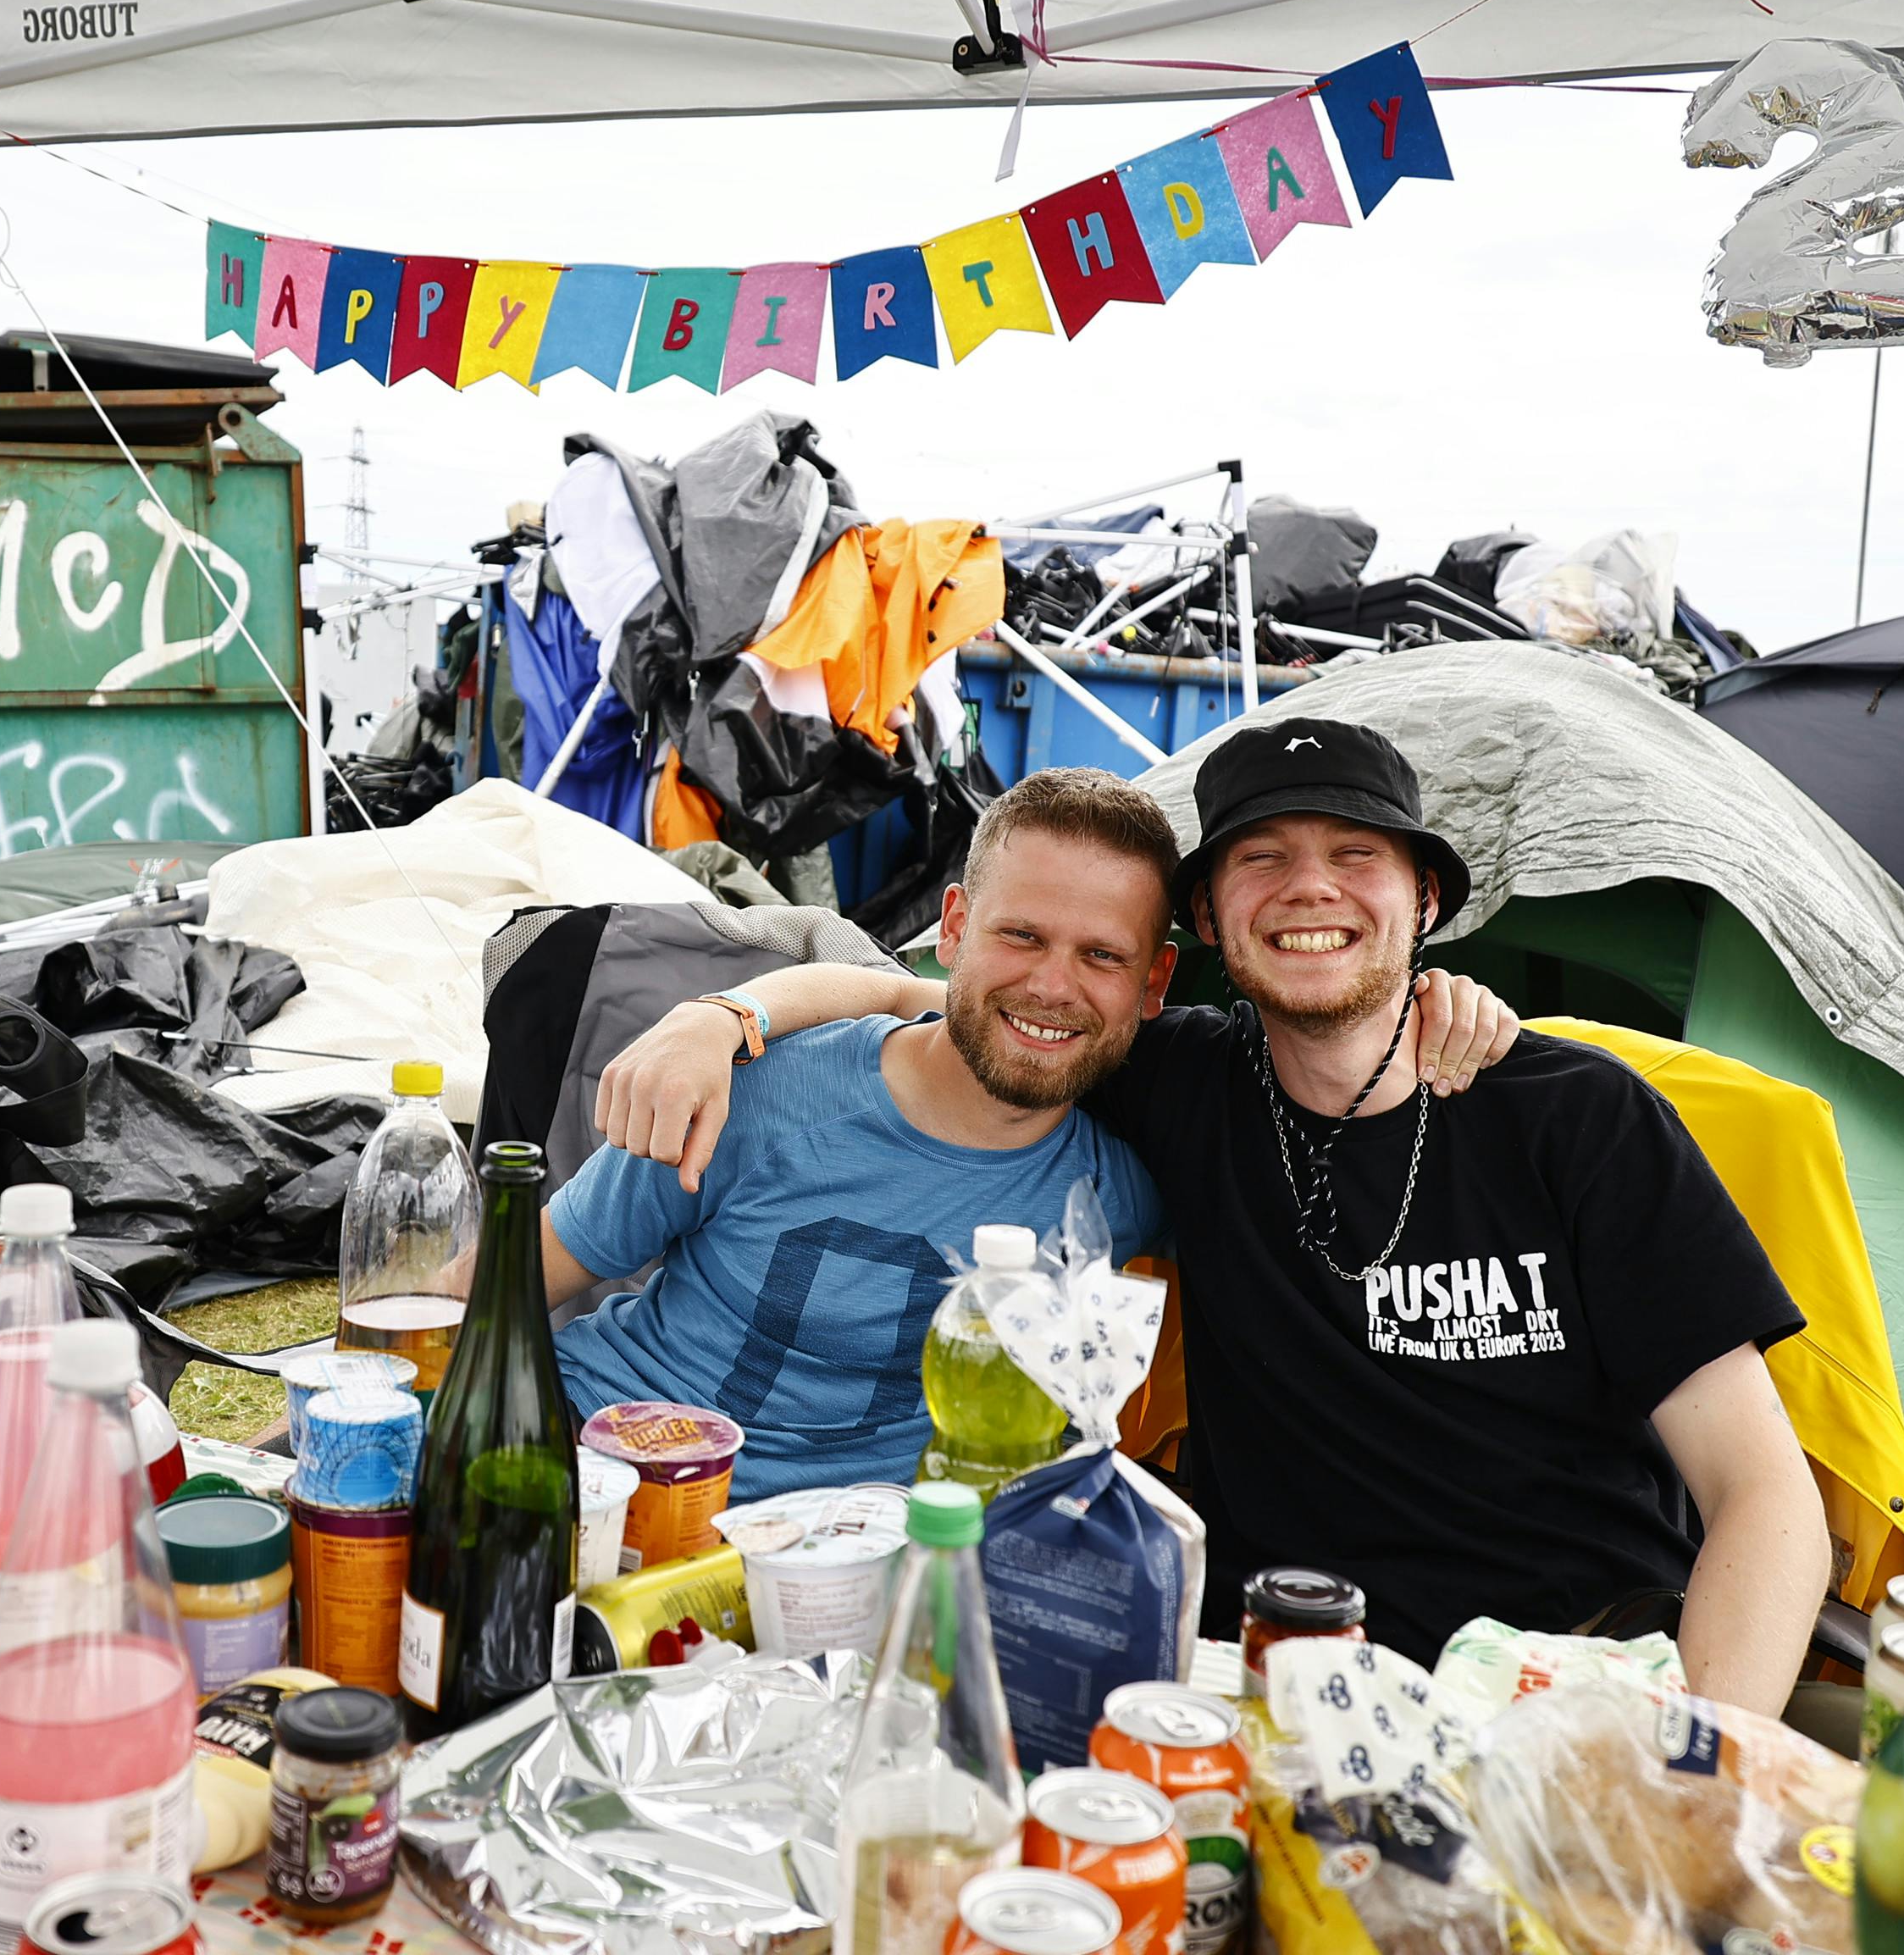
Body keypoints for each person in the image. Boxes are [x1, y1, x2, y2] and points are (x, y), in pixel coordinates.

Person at [595, 721, 1829, 1715]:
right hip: (1263, 1680)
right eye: (1262, 858)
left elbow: (1766, 1500)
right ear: (1209, 925)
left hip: (1567, 1680)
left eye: (1357, 857)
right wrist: (727, 1016)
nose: (1310, 891)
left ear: (1427, 900)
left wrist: (1703, 1766)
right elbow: (961, 999)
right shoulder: (1172, 1083)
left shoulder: (1578, 1121)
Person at [533, 765, 1516, 1501]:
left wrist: (1433, 1003)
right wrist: (727, 1015)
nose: (1053, 985)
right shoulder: (757, 1090)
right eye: (1021, 936)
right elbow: (500, 1287)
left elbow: (1343, 1114)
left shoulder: (1131, 1177)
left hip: (860, 1576)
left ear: (1154, 987)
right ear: (952, 926)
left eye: (1102, 955)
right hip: (594, 1482)